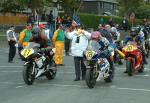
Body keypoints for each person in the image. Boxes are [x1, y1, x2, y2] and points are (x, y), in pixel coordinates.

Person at [65, 15, 91, 81]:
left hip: (83, 52)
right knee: (76, 66)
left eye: (79, 27)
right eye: (77, 27)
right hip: (75, 52)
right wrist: (66, 32)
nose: (78, 28)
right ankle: (77, 76)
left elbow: (90, 36)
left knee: (83, 65)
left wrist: (83, 32)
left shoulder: (85, 33)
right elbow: (68, 36)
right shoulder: (74, 32)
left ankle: (84, 76)